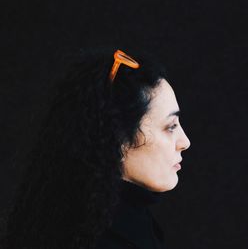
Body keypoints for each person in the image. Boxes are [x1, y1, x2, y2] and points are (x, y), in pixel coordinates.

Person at [0, 47, 191, 249]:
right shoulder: (107, 237)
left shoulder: (94, 216)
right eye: (170, 127)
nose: (184, 142)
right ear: (118, 138)